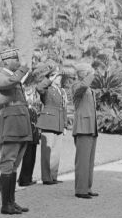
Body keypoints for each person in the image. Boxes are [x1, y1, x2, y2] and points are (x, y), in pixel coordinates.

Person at [0, 48, 32, 215]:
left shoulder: (12, 76)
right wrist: (23, 69)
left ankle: (11, 202)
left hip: (20, 123)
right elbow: (10, 82)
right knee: (8, 164)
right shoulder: (0, 76)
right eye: (16, 59)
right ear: (7, 61)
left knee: (14, 165)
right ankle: (5, 205)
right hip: (11, 124)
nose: (19, 61)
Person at [37, 67, 68, 185]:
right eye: (57, 76)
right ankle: (46, 177)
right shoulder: (47, 89)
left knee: (56, 151)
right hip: (49, 122)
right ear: (52, 77)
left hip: (59, 122)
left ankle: (53, 176)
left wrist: (65, 125)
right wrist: (49, 80)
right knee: (47, 151)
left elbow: (64, 108)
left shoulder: (62, 91)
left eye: (59, 77)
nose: (59, 79)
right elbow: (39, 88)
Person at [72, 63, 99, 199]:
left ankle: (87, 187)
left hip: (90, 127)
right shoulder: (77, 85)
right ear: (82, 73)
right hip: (83, 128)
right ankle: (80, 189)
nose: (90, 73)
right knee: (82, 161)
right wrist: (93, 74)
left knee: (89, 161)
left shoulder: (88, 88)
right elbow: (83, 86)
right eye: (87, 72)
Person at [17, 81, 41, 187]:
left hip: (34, 134)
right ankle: (24, 179)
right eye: (28, 93)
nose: (30, 95)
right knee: (26, 157)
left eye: (31, 93)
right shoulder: (23, 105)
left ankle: (28, 177)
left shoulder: (33, 108)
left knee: (32, 157)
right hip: (26, 134)